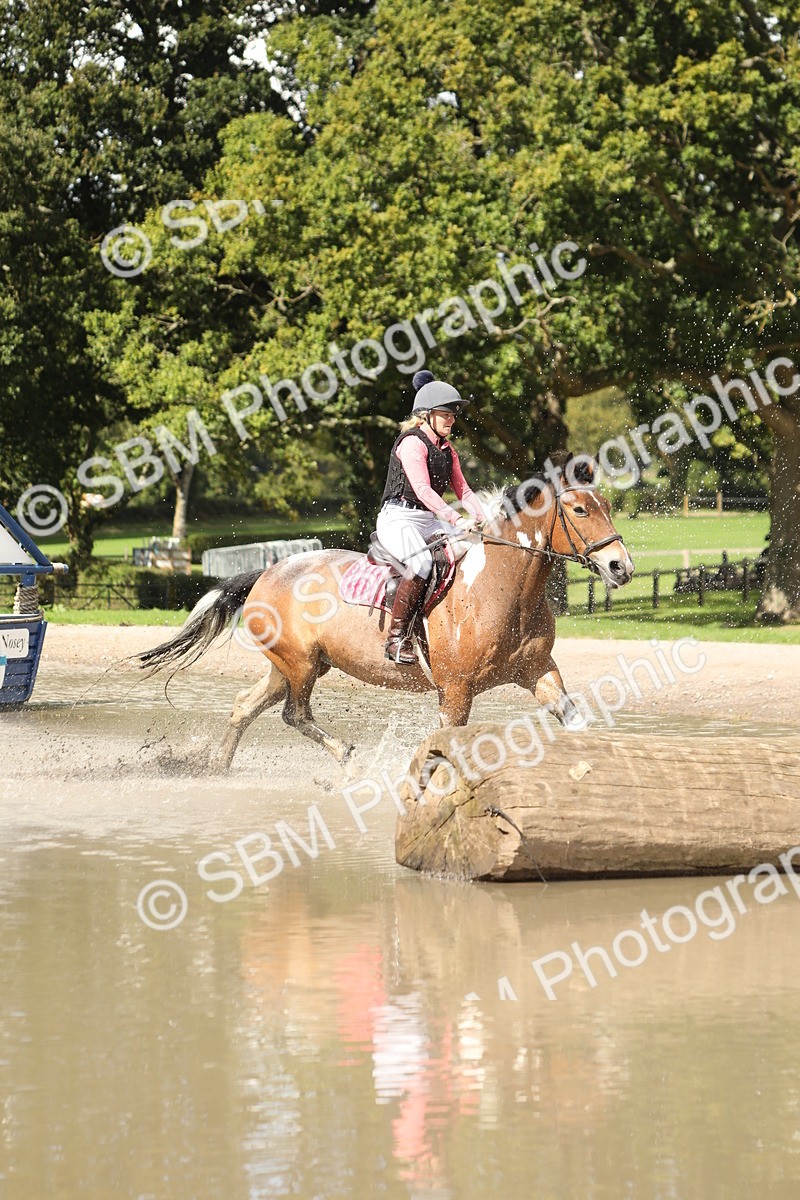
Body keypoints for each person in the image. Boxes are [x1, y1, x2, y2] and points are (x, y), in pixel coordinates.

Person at [376, 370, 486, 665]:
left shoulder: (448, 450)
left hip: (427, 520)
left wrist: (482, 517)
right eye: (446, 414)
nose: (452, 419)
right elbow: (422, 489)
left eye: (453, 415)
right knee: (421, 562)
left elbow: (464, 489)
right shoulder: (411, 443)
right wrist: (455, 519)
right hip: (398, 518)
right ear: (426, 415)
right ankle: (396, 640)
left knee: (472, 549)